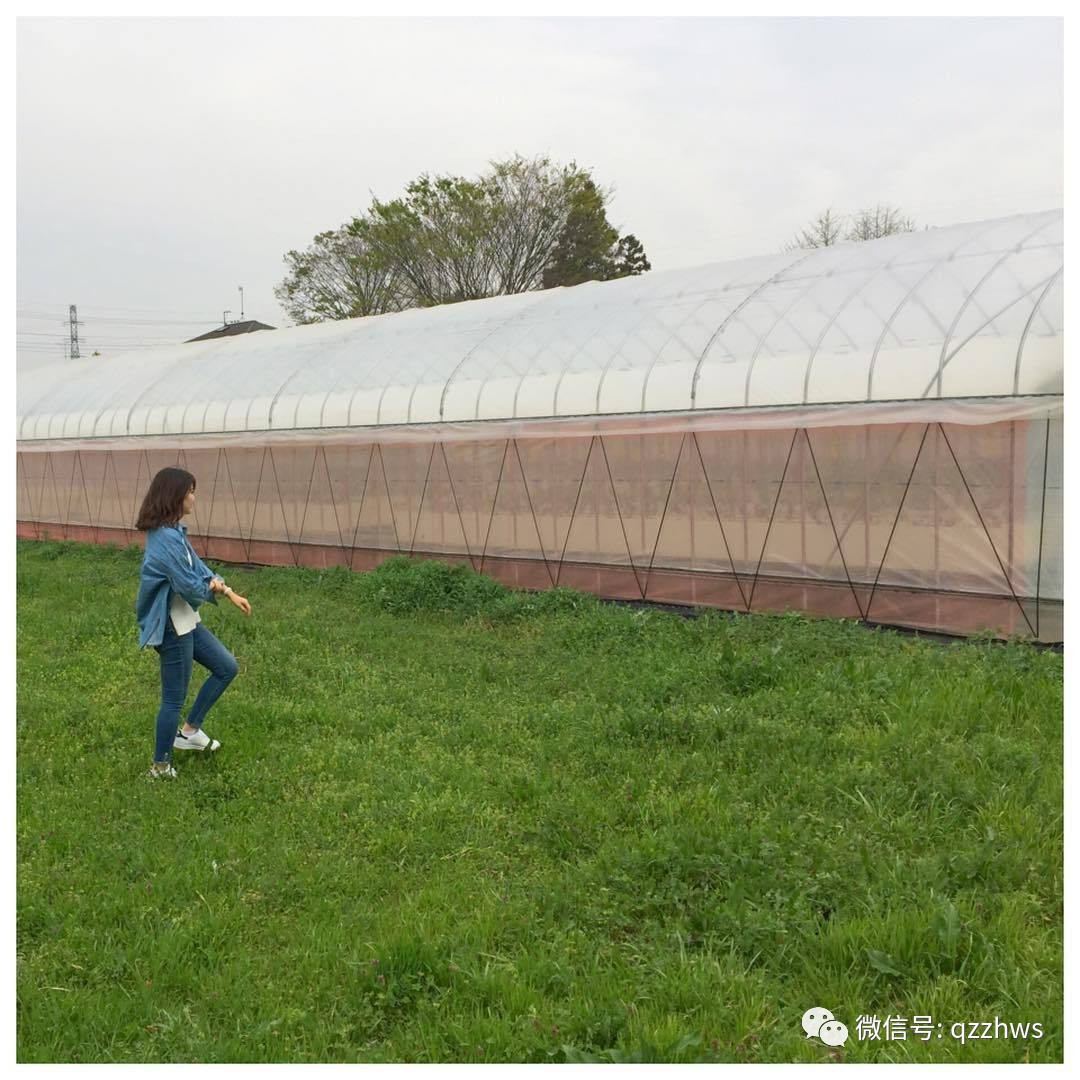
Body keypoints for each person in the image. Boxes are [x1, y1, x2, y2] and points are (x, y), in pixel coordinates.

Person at [134, 467, 252, 779]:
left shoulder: (173, 532)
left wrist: (227, 590)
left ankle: (189, 733)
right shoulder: (165, 539)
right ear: (175, 496)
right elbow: (190, 585)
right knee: (172, 699)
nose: (193, 497)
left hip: (186, 620)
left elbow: (198, 568)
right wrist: (210, 587)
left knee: (227, 667)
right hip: (174, 627)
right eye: (190, 491)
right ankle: (160, 766)